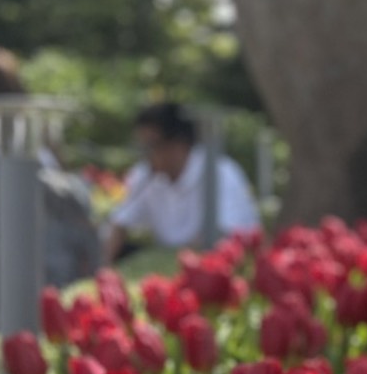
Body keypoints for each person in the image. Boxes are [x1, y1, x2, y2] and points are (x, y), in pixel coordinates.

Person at [106, 100, 260, 259]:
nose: (146, 155)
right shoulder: (145, 174)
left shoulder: (220, 173)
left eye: (150, 146)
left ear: (178, 144)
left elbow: (228, 237)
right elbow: (119, 224)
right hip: (177, 262)